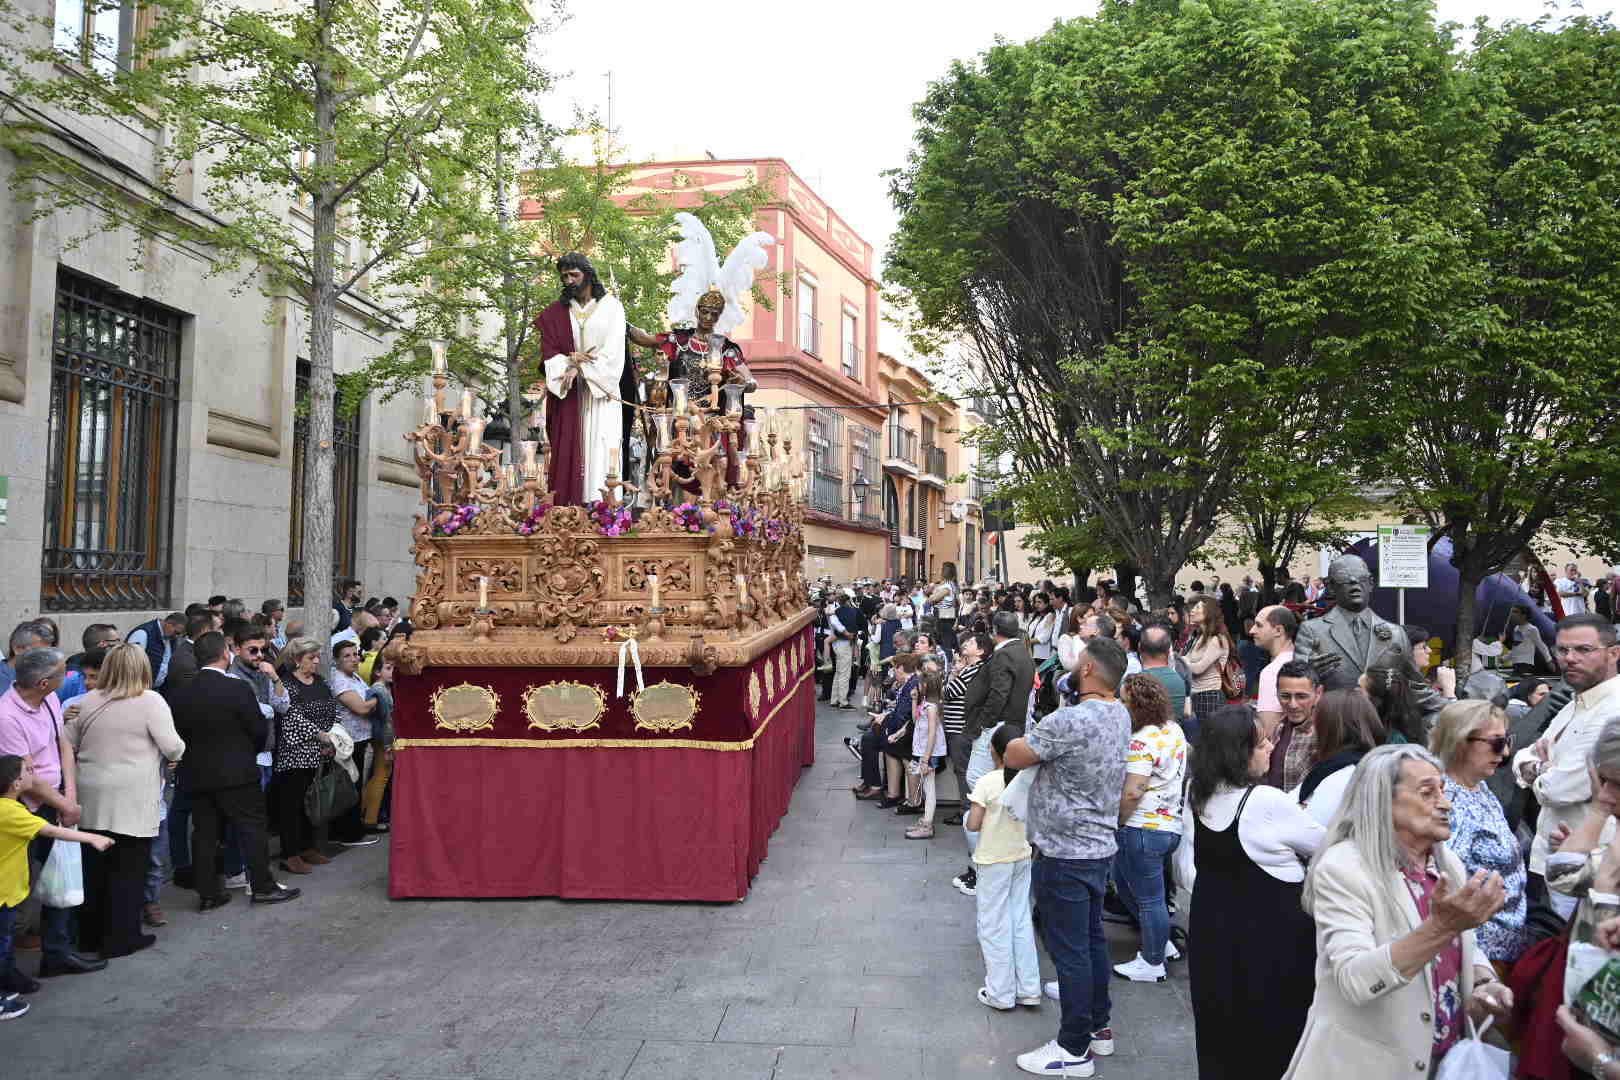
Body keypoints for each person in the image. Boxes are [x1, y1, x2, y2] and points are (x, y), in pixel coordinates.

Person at [1283, 745, 1514, 1080]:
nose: (1446, 804)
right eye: (1427, 793)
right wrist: (1441, 928)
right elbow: (1354, 980)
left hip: (1444, 1061)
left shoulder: (1445, 863)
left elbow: (1464, 942)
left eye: (1443, 791)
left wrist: (1483, 981)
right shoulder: (1345, 868)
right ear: (1382, 801)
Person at [1004, 637, 1132, 1079]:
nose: (1072, 668)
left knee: (1072, 953)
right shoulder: (1120, 713)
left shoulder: (1070, 720)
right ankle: (1099, 1027)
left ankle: (1072, 1048)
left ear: (1092, 670)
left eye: (1079, 663)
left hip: (1063, 853)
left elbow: (1015, 753)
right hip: (1097, 848)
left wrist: (1039, 722)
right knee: (1092, 944)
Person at [1189, 703, 1323, 1080]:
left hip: (1214, 941)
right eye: (1262, 743)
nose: (1269, 749)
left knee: (1220, 1041)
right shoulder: (1264, 802)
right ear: (1239, 752)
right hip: (1270, 950)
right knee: (1272, 1045)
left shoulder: (1200, 795)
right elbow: (1326, 844)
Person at [63, 643, 185, 958]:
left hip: (90, 793)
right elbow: (173, 747)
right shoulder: (151, 701)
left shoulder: (86, 701)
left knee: (94, 869)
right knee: (128, 871)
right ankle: (122, 937)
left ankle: (88, 937)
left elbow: (67, 742)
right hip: (132, 797)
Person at [167, 632, 299, 909]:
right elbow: (258, 729)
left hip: (198, 774)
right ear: (225, 655)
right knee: (251, 828)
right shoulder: (237, 689)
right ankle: (262, 885)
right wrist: (243, 753)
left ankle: (208, 893)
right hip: (237, 772)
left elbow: (177, 734)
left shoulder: (180, 693)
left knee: (204, 832)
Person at [0, 646, 107, 979]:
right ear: (45, 682)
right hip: (27, 809)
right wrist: (63, 804)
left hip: (57, 800)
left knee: (61, 878)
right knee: (20, 888)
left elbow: (62, 744)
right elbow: (25, 778)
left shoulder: (46, 701)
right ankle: (8, 969)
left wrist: (69, 795)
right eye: (63, 672)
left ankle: (58, 952)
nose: (69, 677)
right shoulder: (7, 717)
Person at [1511, 613, 1620, 917]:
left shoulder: (1613, 710)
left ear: (1613, 653)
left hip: (1594, 868)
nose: (1569, 658)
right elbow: (1521, 758)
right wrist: (1539, 768)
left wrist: (1540, 769)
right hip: (1553, 859)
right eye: (1562, 650)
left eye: (1583, 650)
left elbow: (1561, 788)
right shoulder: (1573, 705)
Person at [0, 754, 114, 1010]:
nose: (34, 775)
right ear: (16, 783)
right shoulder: (10, 812)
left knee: (5, 942)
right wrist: (91, 839)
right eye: (28, 771)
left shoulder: (10, 808)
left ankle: (7, 982)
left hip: (7, 892)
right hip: (3, 893)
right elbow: (50, 830)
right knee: (2, 943)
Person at [1428, 699, 1529, 969]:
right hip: (1479, 958)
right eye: (1496, 743)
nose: (1506, 752)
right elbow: (1448, 883)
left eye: (1507, 740)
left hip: (1503, 950)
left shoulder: (1479, 787)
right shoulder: (1448, 800)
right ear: (1461, 741)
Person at [1112, 673, 1187, 982]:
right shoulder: (1173, 730)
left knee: (1148, 898)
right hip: (1169, 826)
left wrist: (1118, 821)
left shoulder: (1140, 740)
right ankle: (1161, 942)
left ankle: (1152, 962)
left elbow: (1133, 790)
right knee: (1133, 886)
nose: (1119, 705)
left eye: (1124, 701)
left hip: (1142, 827)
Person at [535, 251, 627, 505]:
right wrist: (568, 363)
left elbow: (613, 351)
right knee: (570, 449)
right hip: (570, 393)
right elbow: (549, 352)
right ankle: (569, 507)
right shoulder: (558, 311)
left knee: (601, 446)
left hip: (601, 393)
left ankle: (601, 508)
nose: (569, 280)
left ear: (588, 274)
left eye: (573, 274)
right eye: (564, 276)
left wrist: (582, 369)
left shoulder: (612, 307)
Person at [967, 723, 1039, 1010]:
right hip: (1021, 856)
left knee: (993, 924)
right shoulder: (1029, 779)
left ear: (993, 751)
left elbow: (973, 824)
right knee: (1020, 919)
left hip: (993, 859)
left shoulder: (987, 782)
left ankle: (1000, 992)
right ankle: (1029, 987)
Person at [274, 638, 337, 875]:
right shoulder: (288, 684)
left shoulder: (320, 681)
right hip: (296, 754)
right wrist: (318, 735)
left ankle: (308, 846)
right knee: (292, 805)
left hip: (321, 752)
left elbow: (334, 709)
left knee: (312, 803)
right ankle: (290, 854)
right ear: (298, 660)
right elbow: (290, 716)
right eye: (312, 658)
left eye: (317, 657)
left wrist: (332, 737)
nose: (317, 662)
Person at [1292, 689, 1380, 825]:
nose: (1312, 730)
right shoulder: (1333, 767)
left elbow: (1308, 829)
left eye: (1317, 723)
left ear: (1329, 729)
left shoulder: (1344, 775)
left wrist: (1298, 810)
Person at [329, 639, 385, 848]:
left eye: (355, 654)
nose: (353, 659)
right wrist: (380, 695)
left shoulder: (354, 678)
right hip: (348, 741)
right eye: (347, 656)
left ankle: (351, 828)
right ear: (336, 660)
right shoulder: (340, 681)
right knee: (349, 787)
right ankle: (347, 833)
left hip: (360, 739)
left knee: (355, 784)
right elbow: (361, 708)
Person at [941, 633, 988, 829]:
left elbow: (948, 692)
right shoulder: (969, 669)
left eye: (971, 643)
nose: (965, 645)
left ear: (981, 651)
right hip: (957, 726)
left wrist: (954, 674)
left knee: (963, 770)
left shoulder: (973, 670)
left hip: (960, 727)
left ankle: (966, 811)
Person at [1266, 660, 1323, 791]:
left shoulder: (1324, 734)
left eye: (1301, 697)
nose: (1293, 704)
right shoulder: (1279, 727)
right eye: (1285, 696)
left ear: (1318, 694)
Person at [905, 669, 946, 840]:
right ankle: (925, 820)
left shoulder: (932, 708)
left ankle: (927, 824)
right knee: (927, 786)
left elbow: (932, 734)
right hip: (923, 751)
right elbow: (915, 721)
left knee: (929, 788)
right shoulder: (925, 705)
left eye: (920, 683)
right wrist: (914, 700)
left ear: (926, 686)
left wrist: (926, 759)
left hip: (928, 753)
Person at [1183, 597, 1231, 731]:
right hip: (1195, 695)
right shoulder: (1197, 637)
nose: (1192, 611)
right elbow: (1184, 659)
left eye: (1197, 608)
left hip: (1210, 697)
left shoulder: (1217, 639)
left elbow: (1199, 668)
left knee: (1210, 739)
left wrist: (1184, 662)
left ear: (1209, 613)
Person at [1252, 605, 1298, 736]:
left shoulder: (1272, 672)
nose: (1251, 630)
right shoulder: (1300, 659)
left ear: (1278, 630)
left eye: (1259, 625)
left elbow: (1268, 731)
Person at [828, 590, 864, 710]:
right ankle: (843, 701)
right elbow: (860, 625)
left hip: (837, 643)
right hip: (845, 644)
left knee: (838, 672)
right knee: (844, 673)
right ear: (848, 600)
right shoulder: (851, 611)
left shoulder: (835, 611)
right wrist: (847, 633)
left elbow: (834, 622)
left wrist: (843, 632)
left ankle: (834, 699)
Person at [1502, 602, 1554, 675]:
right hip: (1517, 663)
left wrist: (1549, 660)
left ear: (1524, 615)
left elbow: (1541, 645)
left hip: (1525, 664)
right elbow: (1517, 647)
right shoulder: (1517, 628)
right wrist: (1505, 658)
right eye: (1511, 612)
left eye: (1515, 612)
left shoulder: (1532, 629)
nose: (1512, 614)